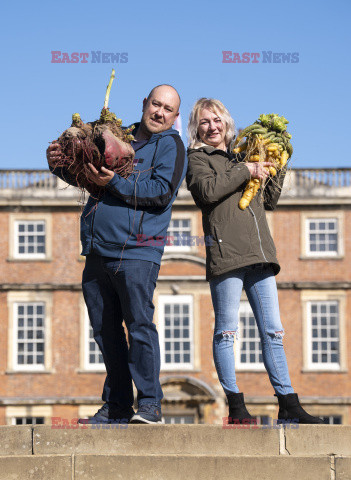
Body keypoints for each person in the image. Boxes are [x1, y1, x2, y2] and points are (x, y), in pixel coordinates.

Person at [47, 84, 187, 424]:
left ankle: (150, 404)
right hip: (97, 250)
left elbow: (160, 193)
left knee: (139, 326)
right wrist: (64, 163)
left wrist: (114, 183)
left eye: (168, 109)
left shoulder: (171, 145)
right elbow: (88, 178)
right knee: (104, 330)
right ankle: (118, 405)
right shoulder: (115, 136)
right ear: (144, 103)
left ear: (175, 117)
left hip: (138, 250)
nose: (159, 113)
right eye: (156, 104)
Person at [186, 98, 323, 424]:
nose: (212, 126)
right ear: (197, 127)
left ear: (227, 123)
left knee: (274, 331)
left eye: (217, 120)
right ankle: (236, 406)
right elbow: (207, 192)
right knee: (227, 333)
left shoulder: (244, 153)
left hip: (260, 256)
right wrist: (245, 169)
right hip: (227, 255)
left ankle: (289, 405)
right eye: (205, 121)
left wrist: (278, 161)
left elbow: (270, 200)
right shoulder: (196, 159)